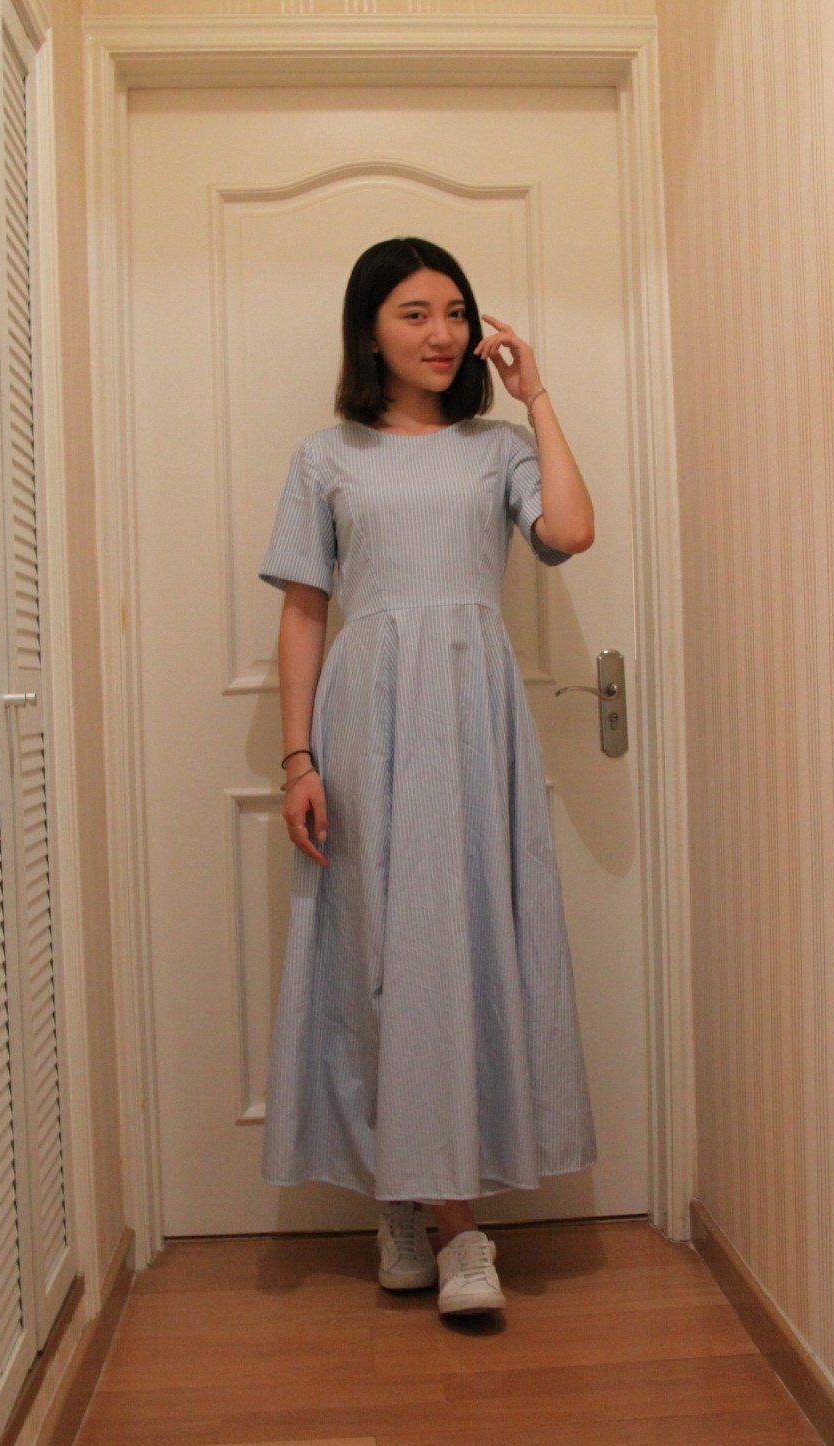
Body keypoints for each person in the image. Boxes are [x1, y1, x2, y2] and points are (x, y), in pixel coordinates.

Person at [258, 236, 598, 1318]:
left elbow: (571, 530)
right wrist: (298, 757)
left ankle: (437, 1220)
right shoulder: (327, 457)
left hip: (473, 718)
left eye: (456, 311)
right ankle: (429, 1215)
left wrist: (536, 396)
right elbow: (304, 609)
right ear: (370, 329)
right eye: (415, 313)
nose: (443, 333)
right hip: (367, 719)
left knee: (461, 948)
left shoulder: (498, 449)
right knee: (378, 951)